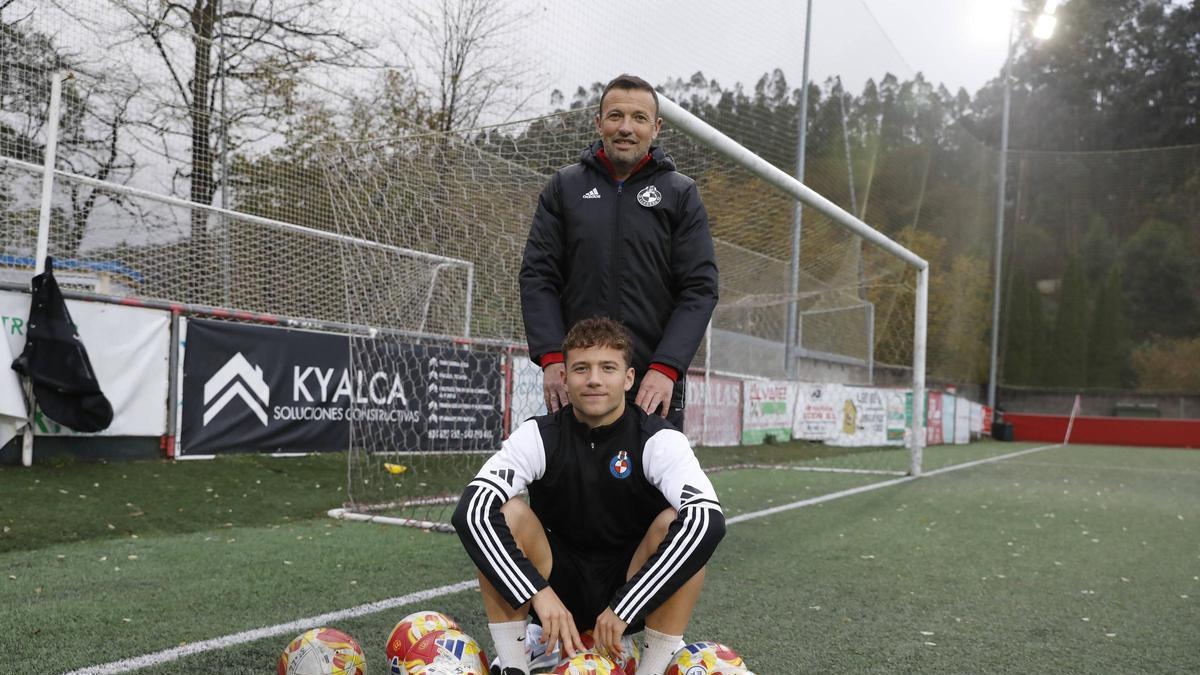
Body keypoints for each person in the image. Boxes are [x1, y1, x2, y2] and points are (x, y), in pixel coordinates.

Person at [452, 317, 726, 675]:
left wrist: (625, 606)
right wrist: (538, 592)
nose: (594, 379)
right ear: (564, 378)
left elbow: (708, 522)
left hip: (629, 584)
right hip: (555, 583)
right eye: (581, 368)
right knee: (505, 512)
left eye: (607, 368)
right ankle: (515, 665)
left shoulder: (658, 439)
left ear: (628, 379)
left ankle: (651, 667)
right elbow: (470, 512)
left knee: (678, 524)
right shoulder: (537, 436)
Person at [520, 73, 718, 430]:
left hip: (651, 385)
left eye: (639, 118)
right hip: (578, 381)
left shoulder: (680, 194)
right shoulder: (564, 188)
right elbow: (538, 276)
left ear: (656, 128)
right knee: (571, 485)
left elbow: (700, 289)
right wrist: (551, 358)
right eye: (615, 116)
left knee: (649, 486)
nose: (626, 127)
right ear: (599, 123)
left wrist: (667, 367)